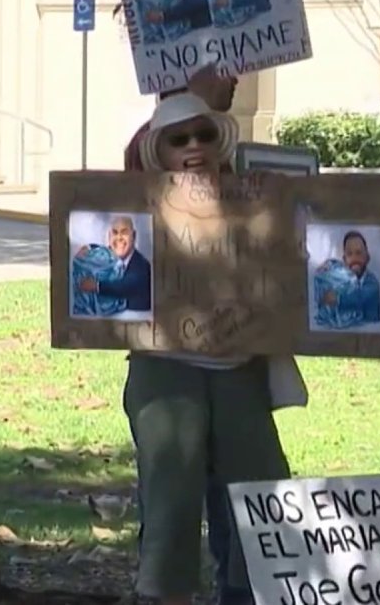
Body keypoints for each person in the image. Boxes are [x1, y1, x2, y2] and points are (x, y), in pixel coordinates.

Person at [120, 92, 308, 605]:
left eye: (203, 134)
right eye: (180, 139)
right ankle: (166, 593)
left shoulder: (254, 199)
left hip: (237, 367)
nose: (194, 146)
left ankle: (249, 593)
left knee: (260, 486)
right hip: (165, 368)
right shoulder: (137, 203)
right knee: (170, 492)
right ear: (161, 149)